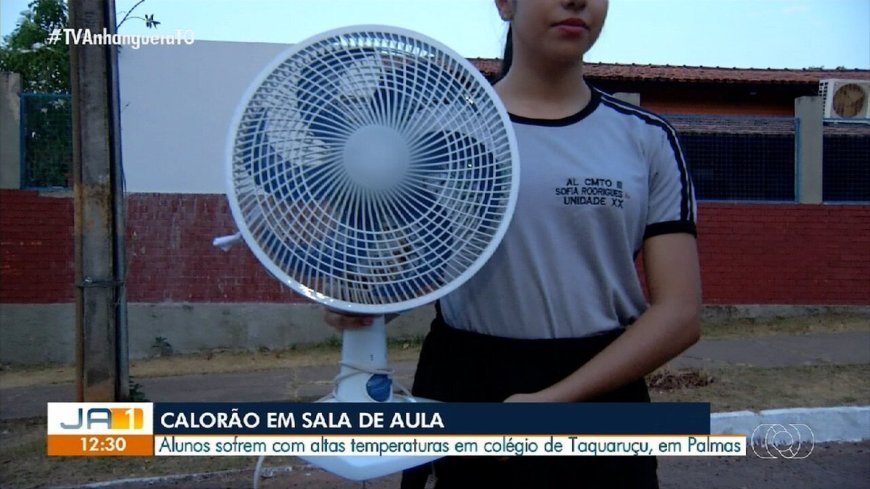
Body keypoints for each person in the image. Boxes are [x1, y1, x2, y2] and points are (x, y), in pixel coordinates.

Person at [325, 0, 702, 487]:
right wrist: (357, 304)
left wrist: (550, 404)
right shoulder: (431, 136)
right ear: (505, 3)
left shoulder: (646, 139)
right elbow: (398, 278)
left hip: (602, 400)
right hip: (466, 395)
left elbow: (680, 315)